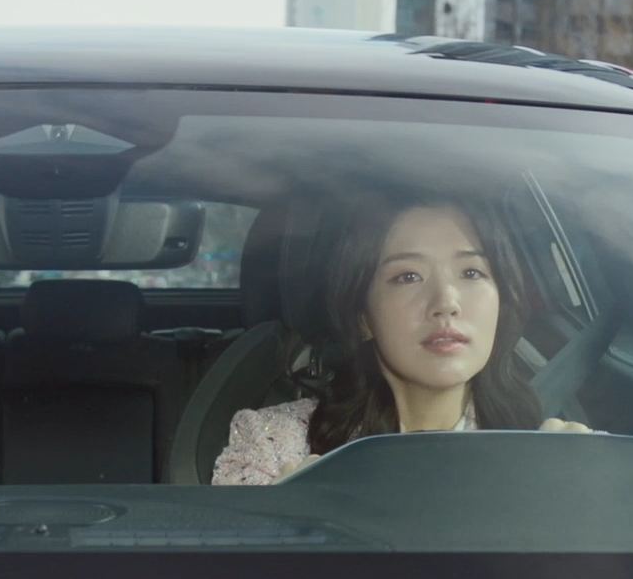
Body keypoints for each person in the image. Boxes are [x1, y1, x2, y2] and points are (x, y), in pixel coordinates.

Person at [212, 196, 588, 486]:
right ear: (363, 317)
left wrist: (579, 490)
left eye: (471, 272)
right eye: (408, 277)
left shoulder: (549, 451)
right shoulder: (274, 447)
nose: (446, 302)